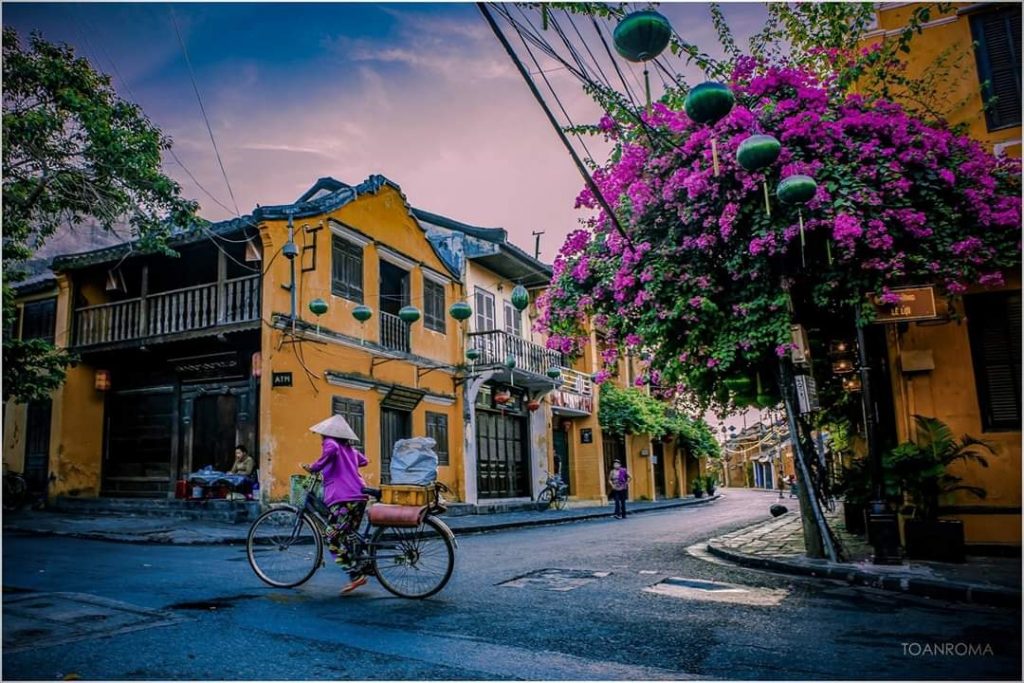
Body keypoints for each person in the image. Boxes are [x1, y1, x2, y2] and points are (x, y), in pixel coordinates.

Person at [302, 415, 370, 595]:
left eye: (322, 435)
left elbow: (330, 451)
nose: (321, 439)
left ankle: (355, 575)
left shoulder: (331, 444)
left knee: (331, 537)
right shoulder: (350, 449)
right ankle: (362, 563)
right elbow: (364, 461)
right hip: (359, 496)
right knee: (348, 534)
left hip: (344, 498)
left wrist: (314, 467)